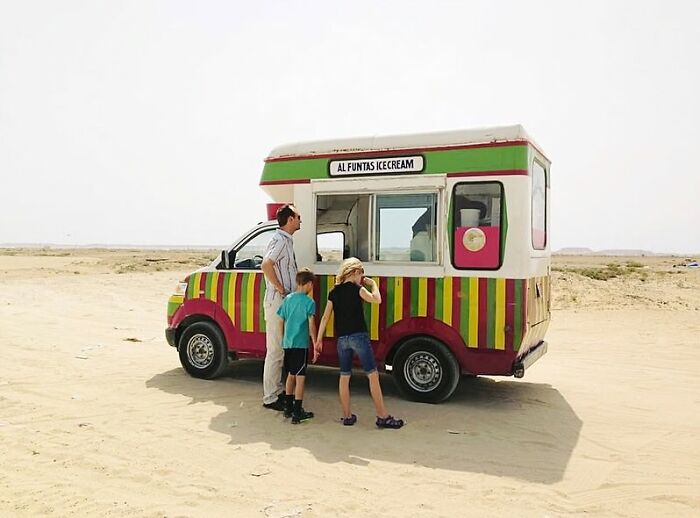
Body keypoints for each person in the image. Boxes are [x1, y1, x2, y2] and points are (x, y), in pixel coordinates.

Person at [316, 258, 404, 429]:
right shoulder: (358, 289)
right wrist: (372, 284)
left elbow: (326, 317)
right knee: (372, 375)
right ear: (355, 272)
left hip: (342, 339)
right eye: (361, 275)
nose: (361, 278)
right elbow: (376, 300)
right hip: (359, 336)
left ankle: (347, 416)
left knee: (344, 376)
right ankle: (382, 416)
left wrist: (319, 339)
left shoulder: (334, 291)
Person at [260, 204, 301, 411]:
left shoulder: (284, 240)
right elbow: (266, 264)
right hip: (278, 301)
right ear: (290, 219)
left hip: (281, 302)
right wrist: (280, 287)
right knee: (275, 350)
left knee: (280, 350)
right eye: (298, 216)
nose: (301, 219)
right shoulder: (281, 241)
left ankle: (277, 392)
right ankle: (270, 397)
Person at [276, 268, 319, 424]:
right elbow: (311, 324)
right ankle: (297, 412)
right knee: (300, 378)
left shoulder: (288, 299)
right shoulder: (309, 302)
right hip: (301, 344)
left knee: (290, 376)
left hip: (288, 343)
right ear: (307, 284)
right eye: (311, 285)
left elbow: (280, 320)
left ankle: (287, 408)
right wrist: (315, 342)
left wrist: (282, 339)